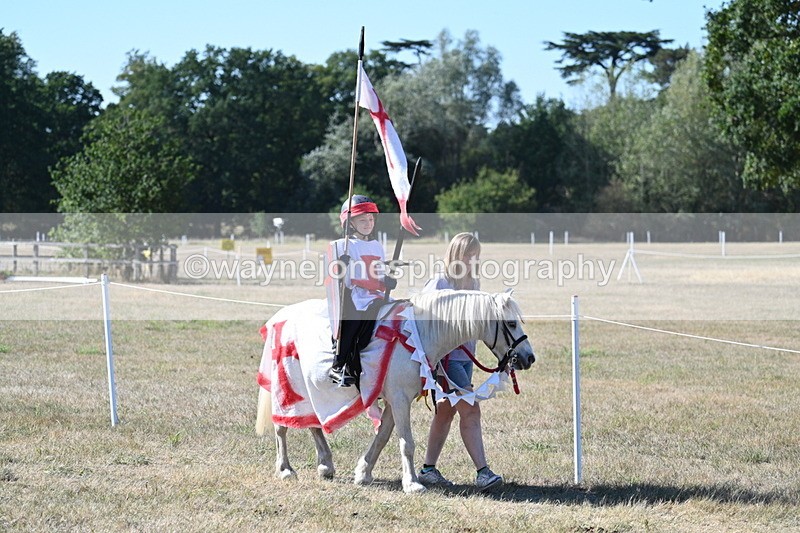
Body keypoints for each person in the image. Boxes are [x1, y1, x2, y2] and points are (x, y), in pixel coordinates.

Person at [417, 232, 503, 491]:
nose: (472, 259)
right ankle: (483, 472)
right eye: (468, 254)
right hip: (447, 361)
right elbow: (422, 318)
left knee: (446, 411)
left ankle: (428, 470)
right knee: (470, 409)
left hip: (466, 356)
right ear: (456, 254)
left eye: (475, 255)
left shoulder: (473, 283)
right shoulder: (440, 283)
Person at [328, 194, 395, 387]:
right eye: (363, 219)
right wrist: (340, 266)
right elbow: (336, 277)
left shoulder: (377, 246)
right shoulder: (342, 245)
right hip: (357, 296)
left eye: (371, 219)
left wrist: (387, 281)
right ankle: (339, 364)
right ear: (350, 223)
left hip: (377, 295)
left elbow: (378, 273)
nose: (368, 223)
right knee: (354, 321)